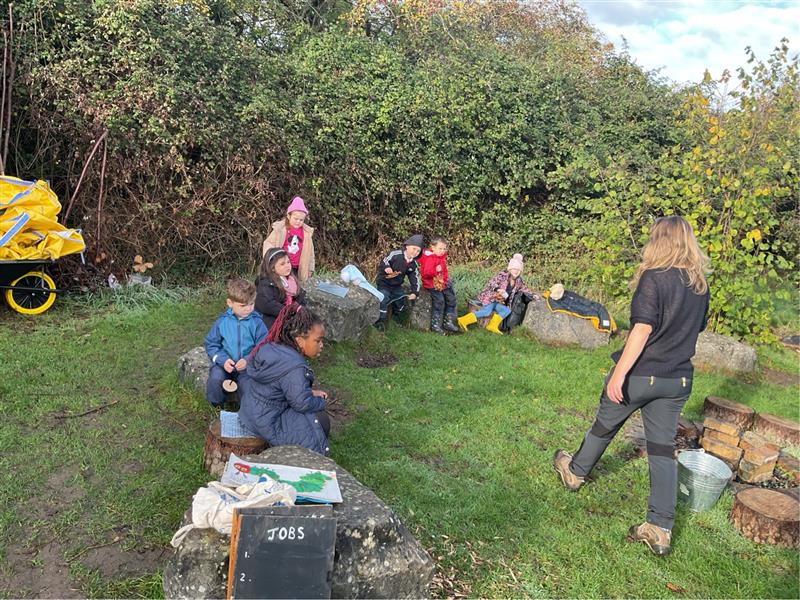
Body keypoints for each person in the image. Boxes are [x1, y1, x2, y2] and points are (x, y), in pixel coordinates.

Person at [553, 216, 710, 557]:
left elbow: (642, 329)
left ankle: (575, 473)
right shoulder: (699, 285)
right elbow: (696, 328)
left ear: (659, 241)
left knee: (605, 425)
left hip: (642, 374)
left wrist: (618, 374)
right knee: (662, 451)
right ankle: (659, 528)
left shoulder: (655, 277)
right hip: (678, 380)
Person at [240, 303, 331, 455]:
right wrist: (321, 402)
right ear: (299, 340)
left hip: (250, 412)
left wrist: (310, 392)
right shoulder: (295, 366)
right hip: (267, 422)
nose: (321, 345)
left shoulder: (271, 346)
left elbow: (280, 387)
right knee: (320, 420)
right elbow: (301, 403)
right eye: (318, 341)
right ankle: (306, 458)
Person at [204, 278, 268, 407]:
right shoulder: (222, 322)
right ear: (230, 303)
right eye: (243, 306)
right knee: (215, 379)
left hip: (248, 366)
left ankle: (245, 409)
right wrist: (222, 360)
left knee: (248, 386)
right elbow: (211, 344)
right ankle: (216, 405)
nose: (248, 309)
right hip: (225, 365)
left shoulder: (257, 323)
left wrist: (248, 360)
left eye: (251, 304)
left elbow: (263, 346)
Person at [457, 253, 533, 335]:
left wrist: (534, 295)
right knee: (487, 312)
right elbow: (491, 283)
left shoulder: (519, 281)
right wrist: (498, 289)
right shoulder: (502, 275)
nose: (516, 271)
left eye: (518, 270)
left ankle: (492, 325)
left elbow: (524, 288)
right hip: (490, 298)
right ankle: (463, 320)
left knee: (506, 310)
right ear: (510, 269)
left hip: (499, 301)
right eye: (514, 269)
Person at [374, 234, 423, 331]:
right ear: (407, 246)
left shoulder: (413, 264)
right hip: (384, 283)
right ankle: (380, 321)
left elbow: (415, 278)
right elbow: (384, 260)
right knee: (383, 297)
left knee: (401, 299)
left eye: (418, 251)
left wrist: (415, 292)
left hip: (396, 285)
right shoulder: (396, 254)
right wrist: (387, 267)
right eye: (414, 249)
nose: (415, 252)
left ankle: (395, 317)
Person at [262, 196, 315, 282]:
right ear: (289, 216)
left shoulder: (306, 233)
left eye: (301, 220)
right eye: (296, 219)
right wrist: (269, 262)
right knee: (280, 285)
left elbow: (310, 253)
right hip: (282, 266)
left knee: (294, 286)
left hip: (297, 267)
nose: (298, 222)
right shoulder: (280, 229)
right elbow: (268, 244)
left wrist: (310, 269)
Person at [255, 248, 306, 330]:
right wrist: (290, 311)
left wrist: (301, 310)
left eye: (288, 262)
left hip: (288, 320)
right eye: (282, 264)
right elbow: (267, 305)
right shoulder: (265, 284)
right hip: (270, 325)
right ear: (272, 268)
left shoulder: (291, 281)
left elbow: (300, 299)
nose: (287, 266)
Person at [417, 236, 459, 334]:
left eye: (444, 249)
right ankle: (435, 325)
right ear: (433, 247)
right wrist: (435, 270)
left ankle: (448, 322)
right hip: (431, 284)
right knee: (439, 301)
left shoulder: (441, 257)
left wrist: (445, 280)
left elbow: (445, 272)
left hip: (441, 283)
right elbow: (426, 274)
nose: (442, 251)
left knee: (451, 299)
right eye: (440, 248)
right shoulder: (429, 257)